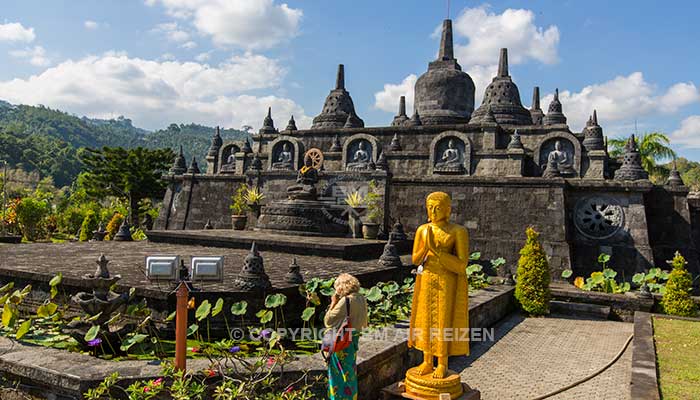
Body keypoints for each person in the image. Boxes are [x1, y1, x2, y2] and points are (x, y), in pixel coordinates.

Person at [324, 273, 368, 400]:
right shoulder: (361, 298)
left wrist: (333, 303)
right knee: (350, 371)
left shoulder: (346, 300)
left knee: (338, 372)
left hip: (342, 340)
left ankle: (338, 397)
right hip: (354, 338)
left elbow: (328, 321)